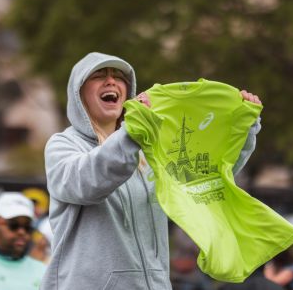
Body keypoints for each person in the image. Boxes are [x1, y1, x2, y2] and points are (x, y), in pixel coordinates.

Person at [40, 52, 262, 289]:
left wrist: (242, 128)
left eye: (118, 77)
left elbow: (204, 176)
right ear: (78, 93)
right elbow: (87, 182)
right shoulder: (62, 145)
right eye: (99, 75)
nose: (111, 81)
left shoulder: (151, 149)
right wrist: (131, 133)